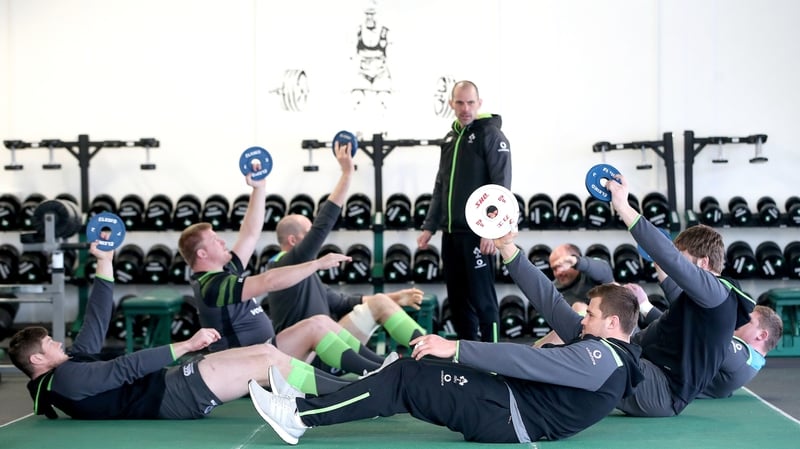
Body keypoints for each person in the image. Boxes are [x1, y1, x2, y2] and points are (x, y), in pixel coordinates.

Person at [249, 229, 643, 445]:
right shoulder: (598, 344)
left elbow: (530, 360)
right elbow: (548, 299)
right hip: (502, 399)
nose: (582, 318)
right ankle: (307, 400)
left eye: (590, 315)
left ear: (612, 324)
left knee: (405, 377)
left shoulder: (604, 360)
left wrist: (455, 348)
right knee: (410, 367)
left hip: (506, 414)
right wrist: (509, 250)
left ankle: (299, 416)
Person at [7, 243, 351, 421]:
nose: (58, 342)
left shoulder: (66, 371)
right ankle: (354, 395)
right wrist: (186, 344)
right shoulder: (64, 380)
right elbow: (124, 368)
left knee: (269, 354)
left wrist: (104, 261)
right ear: (37, 359)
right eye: (49, 343)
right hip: (172, 397)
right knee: (268, 363)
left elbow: (96, 319)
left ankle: (354, 392)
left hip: (171, 385)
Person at [178, 170, 387, 378]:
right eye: (215, 240)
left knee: (321, 322)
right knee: (315, 326)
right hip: (247, 368)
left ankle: (383, 366)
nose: (222, 241)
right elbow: (269, 281)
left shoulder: (226, 270)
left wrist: (259, 188)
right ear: (202, 253)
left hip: (265, 353)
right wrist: (316, 264)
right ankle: (380, 372)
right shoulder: (212, 286)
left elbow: (250, 233)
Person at [606, 173, 756, 417]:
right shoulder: (699, 300)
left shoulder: (716, 292)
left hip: (661, 390)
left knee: (588, 352)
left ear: (703, 263)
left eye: (682, 258)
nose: (676, 266)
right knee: (581, 332)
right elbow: (669, 286)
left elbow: (669, 258)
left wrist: (623, 206)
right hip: (651, 372)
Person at [268, 137, 426, 357]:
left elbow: (344, 302)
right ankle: (430, 353)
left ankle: (429, 350)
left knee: (380, 301)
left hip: (323, 346)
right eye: (308, 233)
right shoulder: (283, 266)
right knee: (378, 303)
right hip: (306, 356)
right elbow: (324, 223)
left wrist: (396, 297)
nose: (314, 237)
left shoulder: (305, 273)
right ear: (293, 241)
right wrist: (347, 174)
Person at [417, 80, 512, 342]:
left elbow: (501, 187)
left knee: (483, 301)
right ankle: (467, 356)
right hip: (451, 234)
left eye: (470, 102)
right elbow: (441, 185)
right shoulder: (450, 139)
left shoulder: (491, 135)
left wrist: (491, 230)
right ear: (451, 104)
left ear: (479, 103)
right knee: (458, 302)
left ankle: (493, 357)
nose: (465, 108)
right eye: (459, 103)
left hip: (477, 235)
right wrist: (429, 226)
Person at [627, 282, 783, 399]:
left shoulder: (742, 357)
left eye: (748, 321)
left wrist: (645, 306)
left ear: (761, 336)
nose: (739, 321)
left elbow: (688, 331)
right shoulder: (747, 362)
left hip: (651, 381)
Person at [549, 243, 614, 306]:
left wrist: (577, 262)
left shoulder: (592, 275)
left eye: (561, 266)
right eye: (554, 269)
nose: (558, 272)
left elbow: (605, 271)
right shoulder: (553, 291)